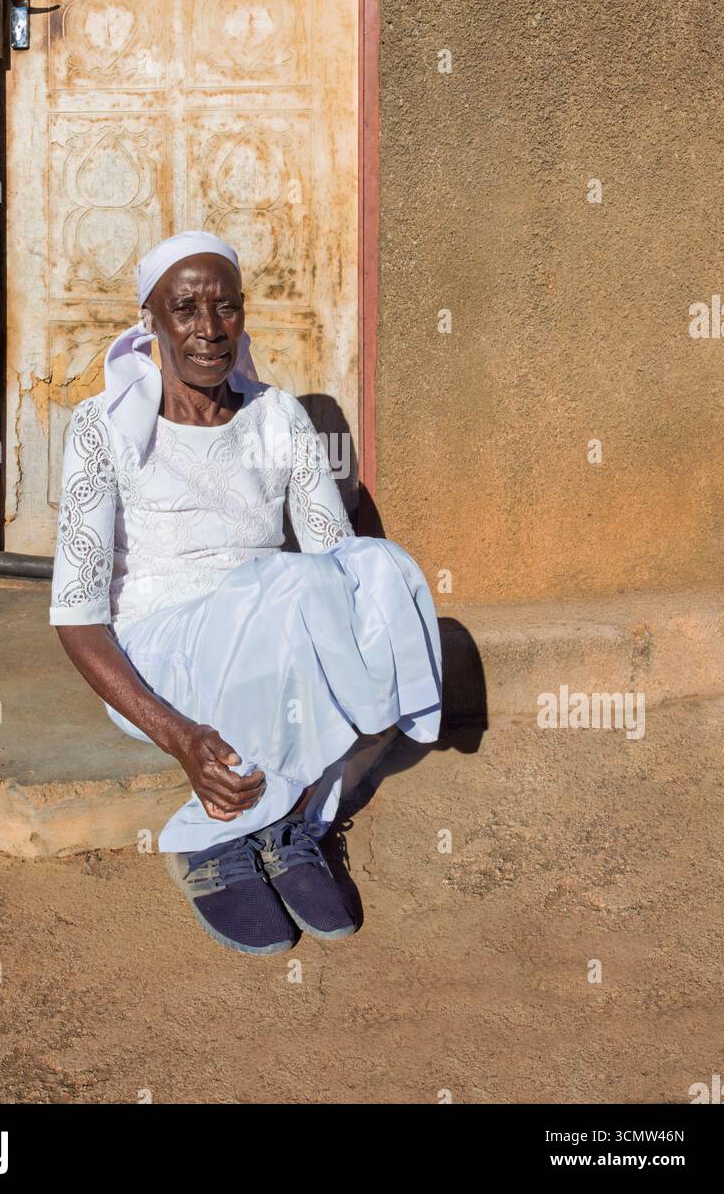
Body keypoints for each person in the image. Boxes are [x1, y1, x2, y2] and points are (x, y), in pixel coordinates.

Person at [50, 230, 443, 956]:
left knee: (382, 569)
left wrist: (364, 609)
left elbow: (336, 563)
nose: (208, 329)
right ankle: (212, 842)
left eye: (225, 308)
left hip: (271, 627)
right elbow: (77, 619)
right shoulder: (101, 430)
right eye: (186, 308)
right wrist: (181, 740)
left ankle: (292, 820)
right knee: (293, 588)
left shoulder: (279, 417)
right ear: (152, 322)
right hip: (163, 656)